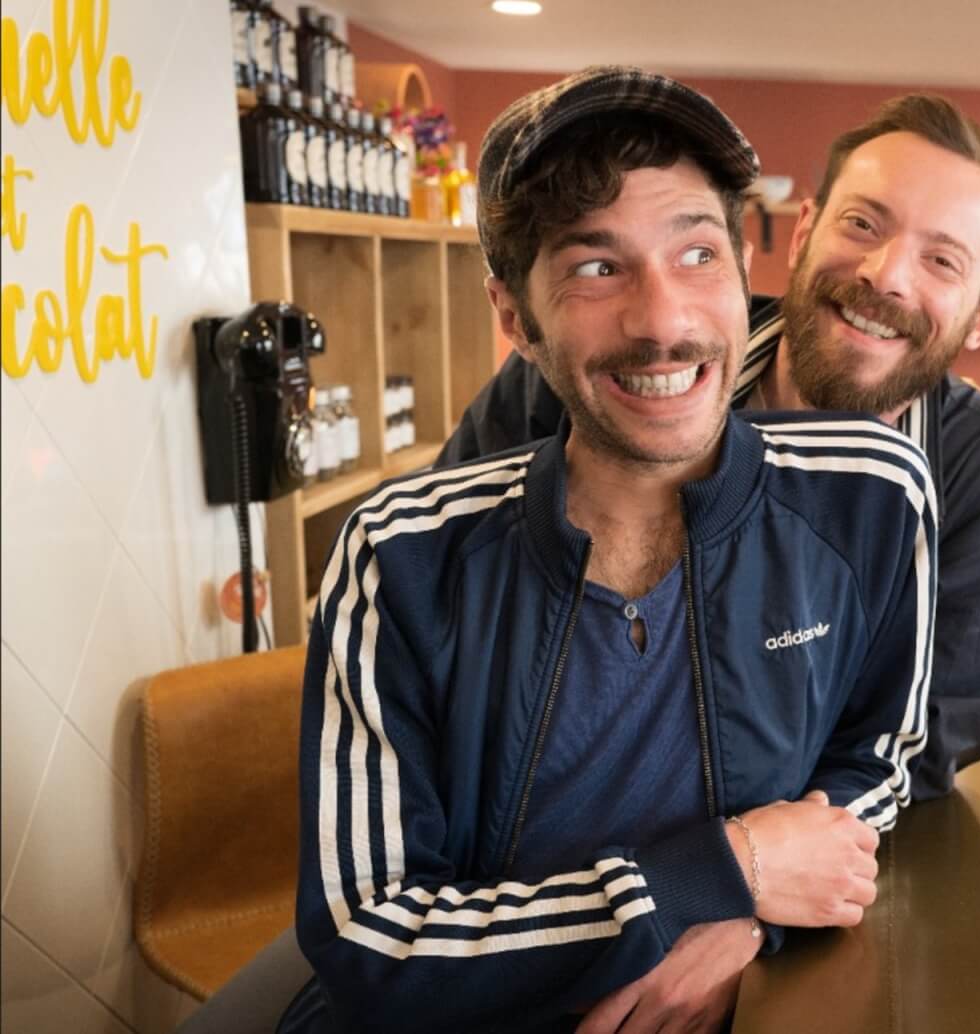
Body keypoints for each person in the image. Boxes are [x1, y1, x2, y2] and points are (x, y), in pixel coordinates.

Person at [279, 67, 938, 1034]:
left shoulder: (871, 495)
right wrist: (722, 878)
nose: (664, 321)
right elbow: (373, 943)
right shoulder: (401, 554)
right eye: (596, 267)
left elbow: (879, 756)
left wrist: (749, 925)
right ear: (516, 319)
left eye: (697, 254)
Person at [441, 92, 980, 802]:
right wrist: (715, 860)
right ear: (802, 233)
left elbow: (938, 728)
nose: (886, 274)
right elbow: (442, 626)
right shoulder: (580, 376)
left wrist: (762, 855)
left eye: (942, 260)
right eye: (861, 223)